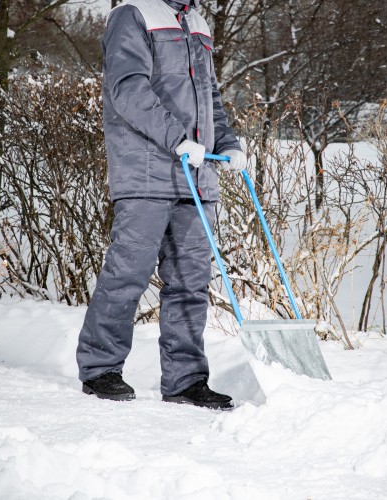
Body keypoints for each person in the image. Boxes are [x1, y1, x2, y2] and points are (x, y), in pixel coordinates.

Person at [76, 0, 246, 410]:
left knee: (191, 282)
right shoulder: (134, 14)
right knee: (127, 274)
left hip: (197, 176)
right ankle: (101, 367)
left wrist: (227, 142)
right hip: (146, 173)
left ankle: (186, 380)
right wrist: (176, 138)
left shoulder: (198, 21)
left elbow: (211, 99)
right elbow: (127, 88)